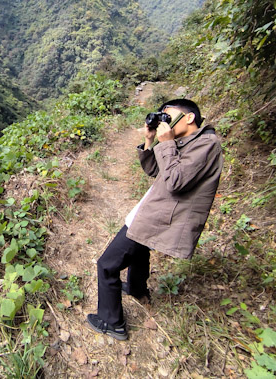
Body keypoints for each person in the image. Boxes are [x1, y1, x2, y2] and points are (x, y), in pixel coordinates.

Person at [86, 99, 223, 341]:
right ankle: (138, 289)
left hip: (161, 215)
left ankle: (111, 321)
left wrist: (167, 143)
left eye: (168, 117)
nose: (164, 123)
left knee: (107, 264)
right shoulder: (188, 142)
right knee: (140, 248)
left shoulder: (206, 145)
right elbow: (156, 170)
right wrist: (151, 141)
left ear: (189, 118)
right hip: (156, 210)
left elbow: (175, 181)